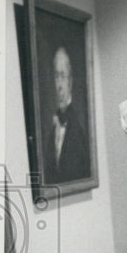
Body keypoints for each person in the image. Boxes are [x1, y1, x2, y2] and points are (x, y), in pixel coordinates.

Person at [43, 46, 90, 183]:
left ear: (70, 81)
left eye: (63, 76)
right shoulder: (53, 128)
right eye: (56, 76)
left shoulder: (79, 131)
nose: (59, 86)